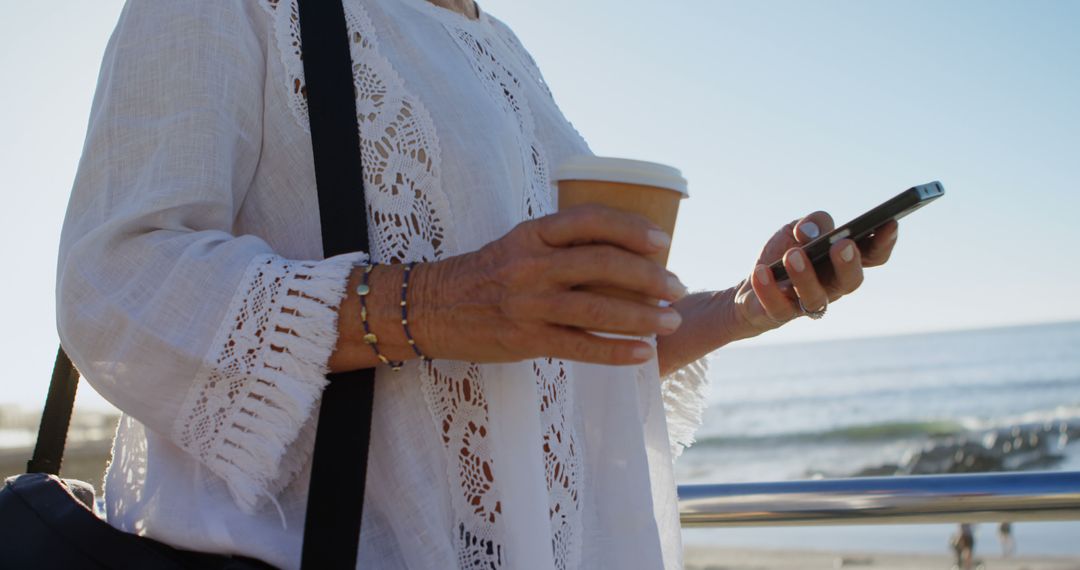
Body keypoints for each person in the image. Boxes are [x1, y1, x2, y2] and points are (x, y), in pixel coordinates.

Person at [55, 0, 899, 568]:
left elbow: (550, 347)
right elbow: (113, 279)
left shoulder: (501, 47)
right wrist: (434, 304)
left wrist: (749, 305)